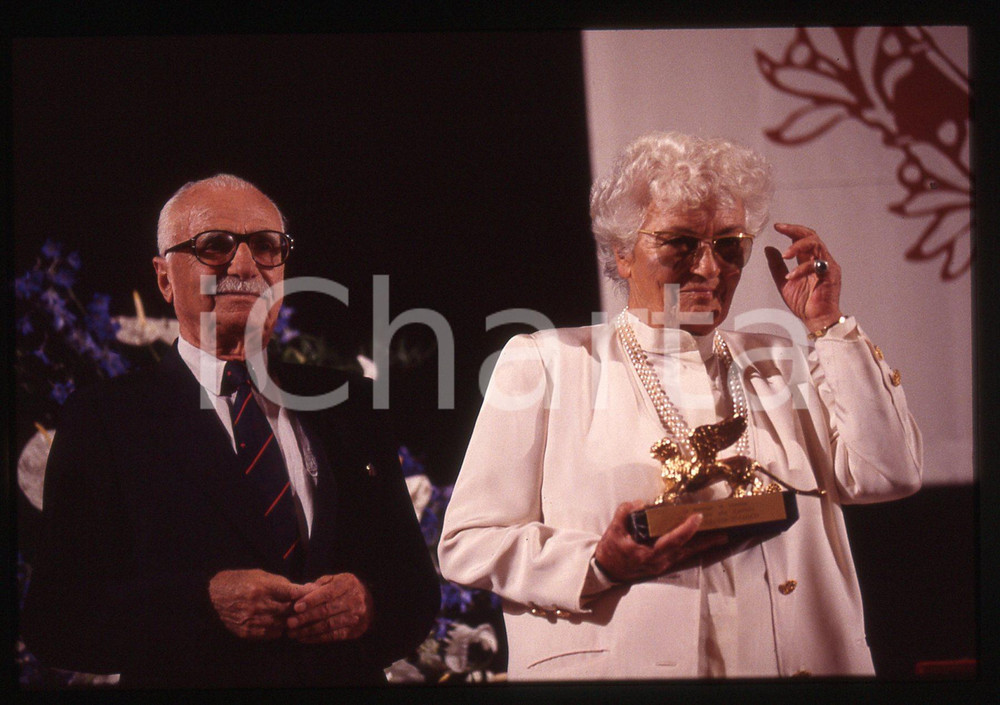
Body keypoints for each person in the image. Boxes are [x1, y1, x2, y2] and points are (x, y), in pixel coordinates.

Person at [438, 132, 922, 679]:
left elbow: (889, 474)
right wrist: (597, 563)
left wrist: (828, 325)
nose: (709, 269)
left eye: (729, 245)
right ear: (622, 253)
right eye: (680, 243)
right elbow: (468, 543)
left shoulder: (783, 361)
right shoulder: (548, 362)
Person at [22, 174, 440, 688]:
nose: (244, 266)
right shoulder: (104, 418)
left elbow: (416, 589)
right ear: (164, 278)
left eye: (266, 247)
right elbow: (56, 621)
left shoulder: (350, 405)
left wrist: (369, 605)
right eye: (214, 246)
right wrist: (203, 603)